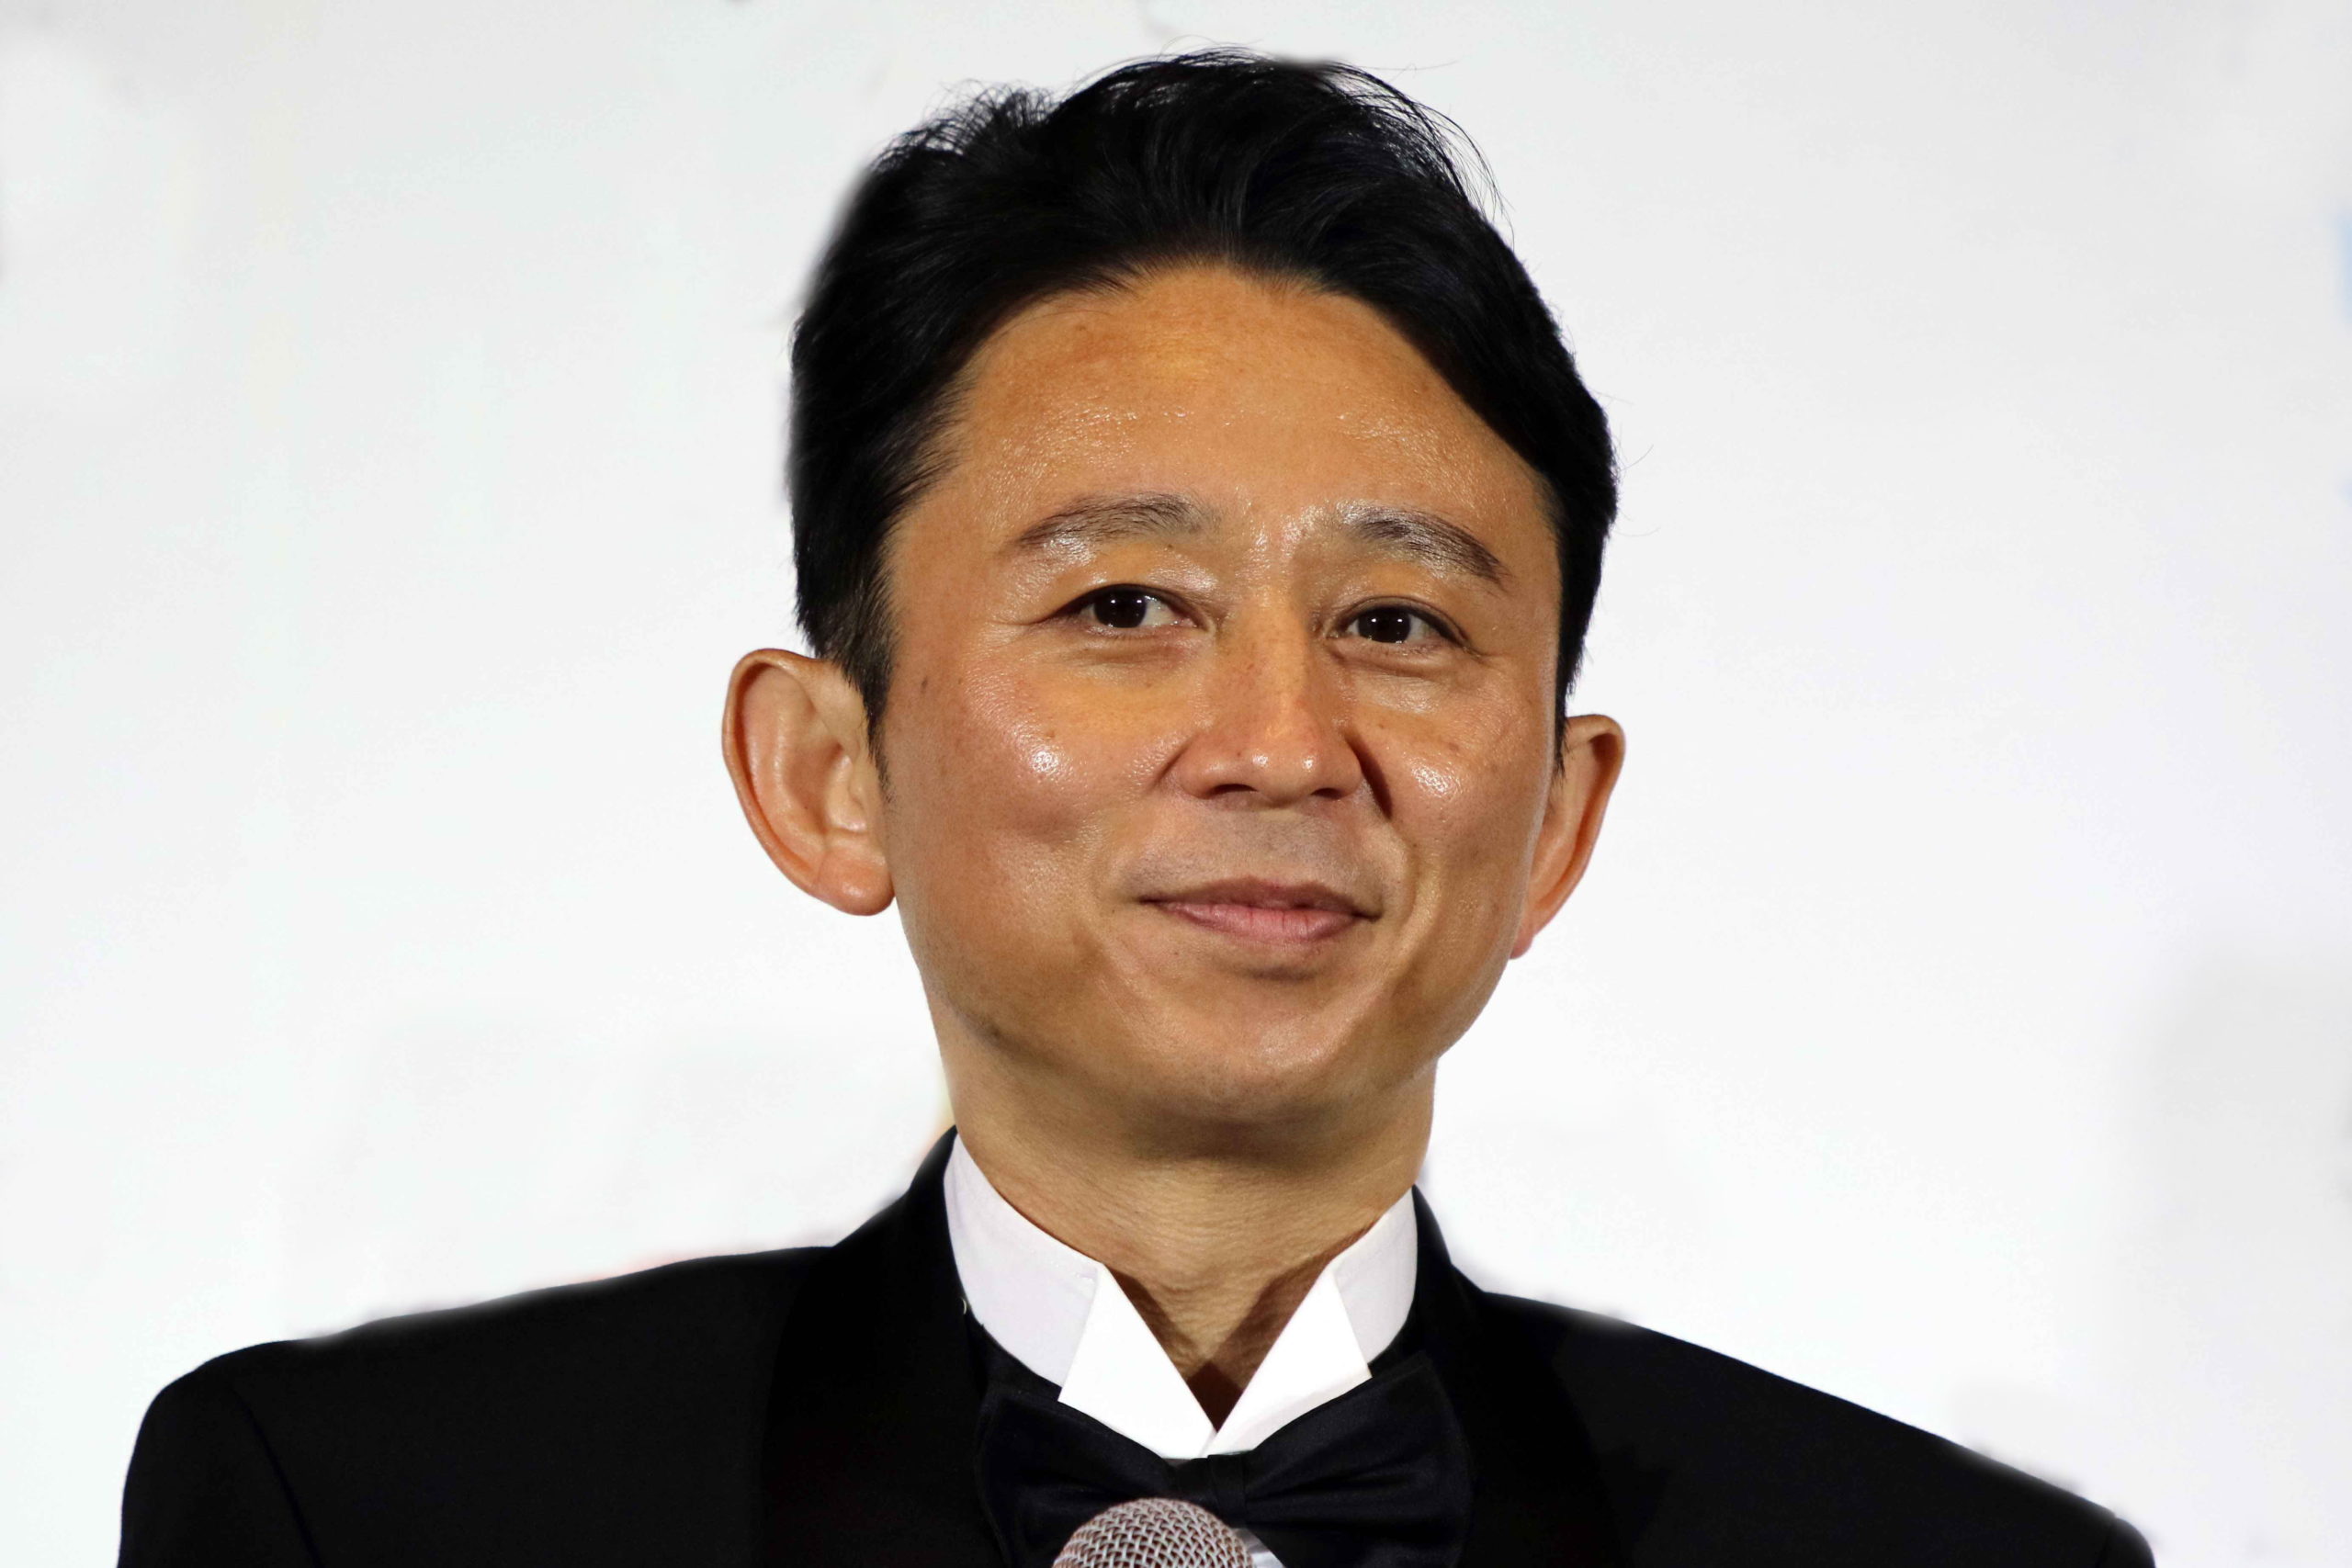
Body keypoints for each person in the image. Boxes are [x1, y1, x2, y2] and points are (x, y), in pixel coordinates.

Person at [118, 50, 2153, 1568]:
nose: (1279, 742)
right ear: (826, 773)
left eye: (1394, 621)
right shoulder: (365, 1514)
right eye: (1123, 606)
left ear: (1554, 815)